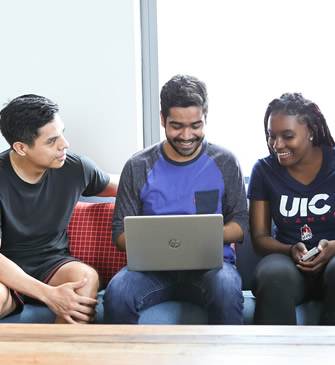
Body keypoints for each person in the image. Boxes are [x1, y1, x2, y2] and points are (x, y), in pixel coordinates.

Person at [0, 94, 119, 324]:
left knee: (85, 277)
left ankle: (58, 355)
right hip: (2, 269)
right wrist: (49, 295)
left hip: (51, 264)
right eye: (52, 141)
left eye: (62, 132)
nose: (64, 144)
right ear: (21, 148)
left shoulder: (75, 168)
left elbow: (126, 185)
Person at [103, 74, 248, 324]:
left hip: (211, 268)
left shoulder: (224, 161)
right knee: (117, 294)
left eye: (195, 125)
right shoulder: (138, 165)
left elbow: (241, 224)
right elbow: (119, 235)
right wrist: (164, 238)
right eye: (177, 126)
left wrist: (199, 236)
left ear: (205, 119)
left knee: (225, 289)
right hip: (152, 271)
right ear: (162, 119)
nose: (187, 135)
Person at [248, 92, 335, 325]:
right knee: (273, 275)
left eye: (287, 136)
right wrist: (289, 250)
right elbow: (259, 238)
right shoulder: (264, 171)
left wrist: (333, 248)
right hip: (288, 262)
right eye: (271, 136)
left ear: (311, 132)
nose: (277, 145)